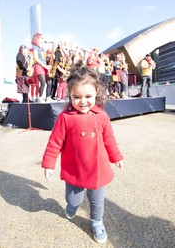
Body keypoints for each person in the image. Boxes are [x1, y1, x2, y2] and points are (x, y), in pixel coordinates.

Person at [41, 66, 124, 244]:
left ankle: (96, 222)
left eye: (88, 96)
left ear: (97, 94)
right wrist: (49, 163)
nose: (83, 101)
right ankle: (72, 206)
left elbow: (109, 139)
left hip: (97, 170)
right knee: (73, 198)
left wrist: (116, 157)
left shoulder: (101, 116)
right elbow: (54, 142)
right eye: (76, 97)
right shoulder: (65, 118)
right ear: (69, 96)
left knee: (97, 202)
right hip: (75, 169)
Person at [31, 33, 52, 102]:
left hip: (44, 66)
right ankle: (40, 97)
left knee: (49, 83)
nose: (43, 39)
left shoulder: (42, 48)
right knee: (43, 83)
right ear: (38, 39)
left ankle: (48, 97)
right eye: (42, 38)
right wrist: (44, 66)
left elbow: (43, 58)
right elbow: (36, 58)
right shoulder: (35, 48)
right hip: (39, 66)